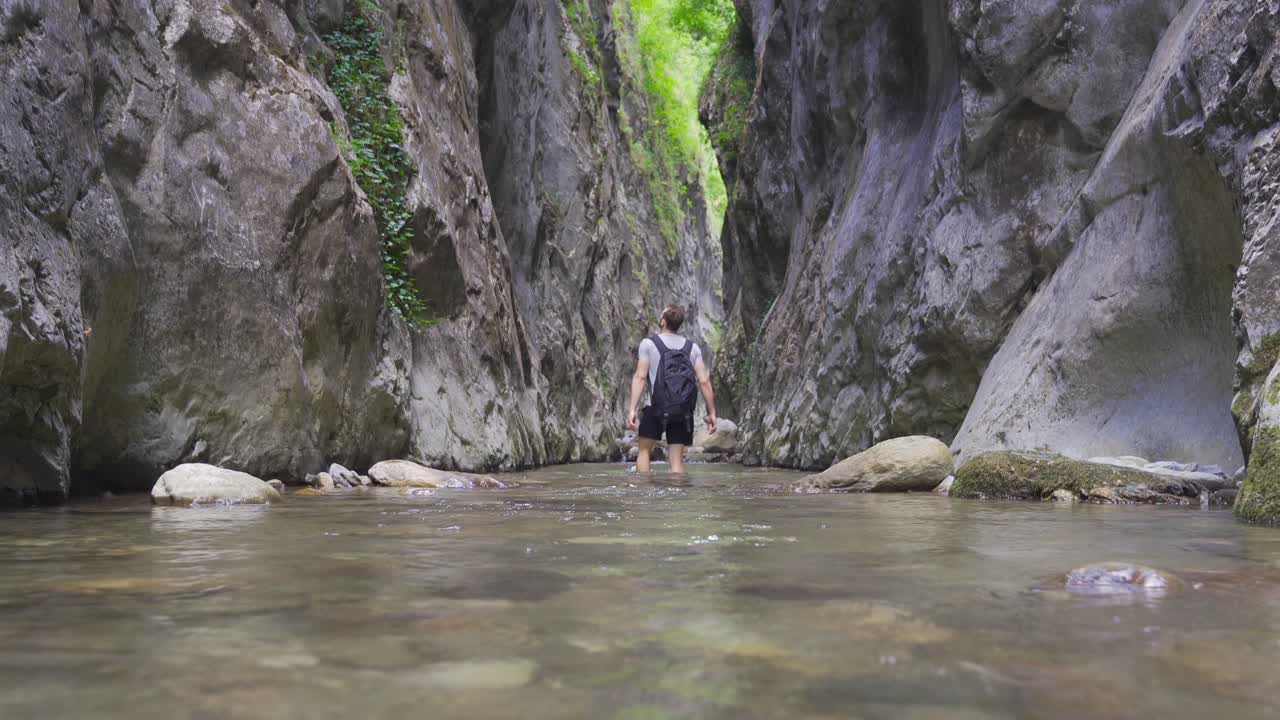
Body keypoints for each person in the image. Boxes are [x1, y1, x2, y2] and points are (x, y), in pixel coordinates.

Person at [627, 304, 717, 473]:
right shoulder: (692, 348)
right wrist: (712, 412)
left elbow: (640, 377)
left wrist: (632, 408)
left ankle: (643, 492)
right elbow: (704, 381)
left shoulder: (648, 344)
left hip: (655, 408)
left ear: (662, 321)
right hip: (682, 411)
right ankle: (677, 494)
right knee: (676, 461)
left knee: (644, 451)